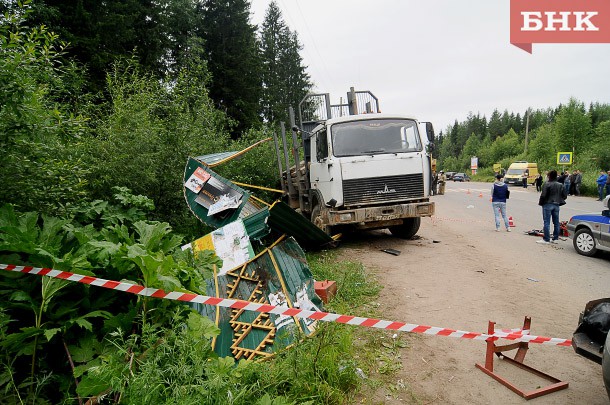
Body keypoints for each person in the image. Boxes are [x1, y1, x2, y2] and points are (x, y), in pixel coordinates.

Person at [537, 170, 568, 244]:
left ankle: (546, 239)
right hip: (556, 205)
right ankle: (555, 238)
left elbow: (543, 195)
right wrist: (559, 200)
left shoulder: (546, 184)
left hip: (547, 204)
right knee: (556, 222)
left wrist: (541, 203)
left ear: (549, 176)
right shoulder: (560, 185)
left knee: (546, 222)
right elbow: (565, 196)